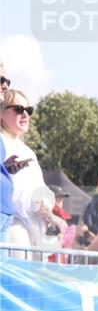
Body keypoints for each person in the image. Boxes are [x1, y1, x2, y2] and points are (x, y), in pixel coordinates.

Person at [1, 89, 47, 248]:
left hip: (33, 230)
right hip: (12, 226)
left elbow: (40, 189)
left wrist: (46, 203)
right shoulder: (2, 143)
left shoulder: (29, 152)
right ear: (1, 112)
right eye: (19, 109)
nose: (25, 114)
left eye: (29, 110)